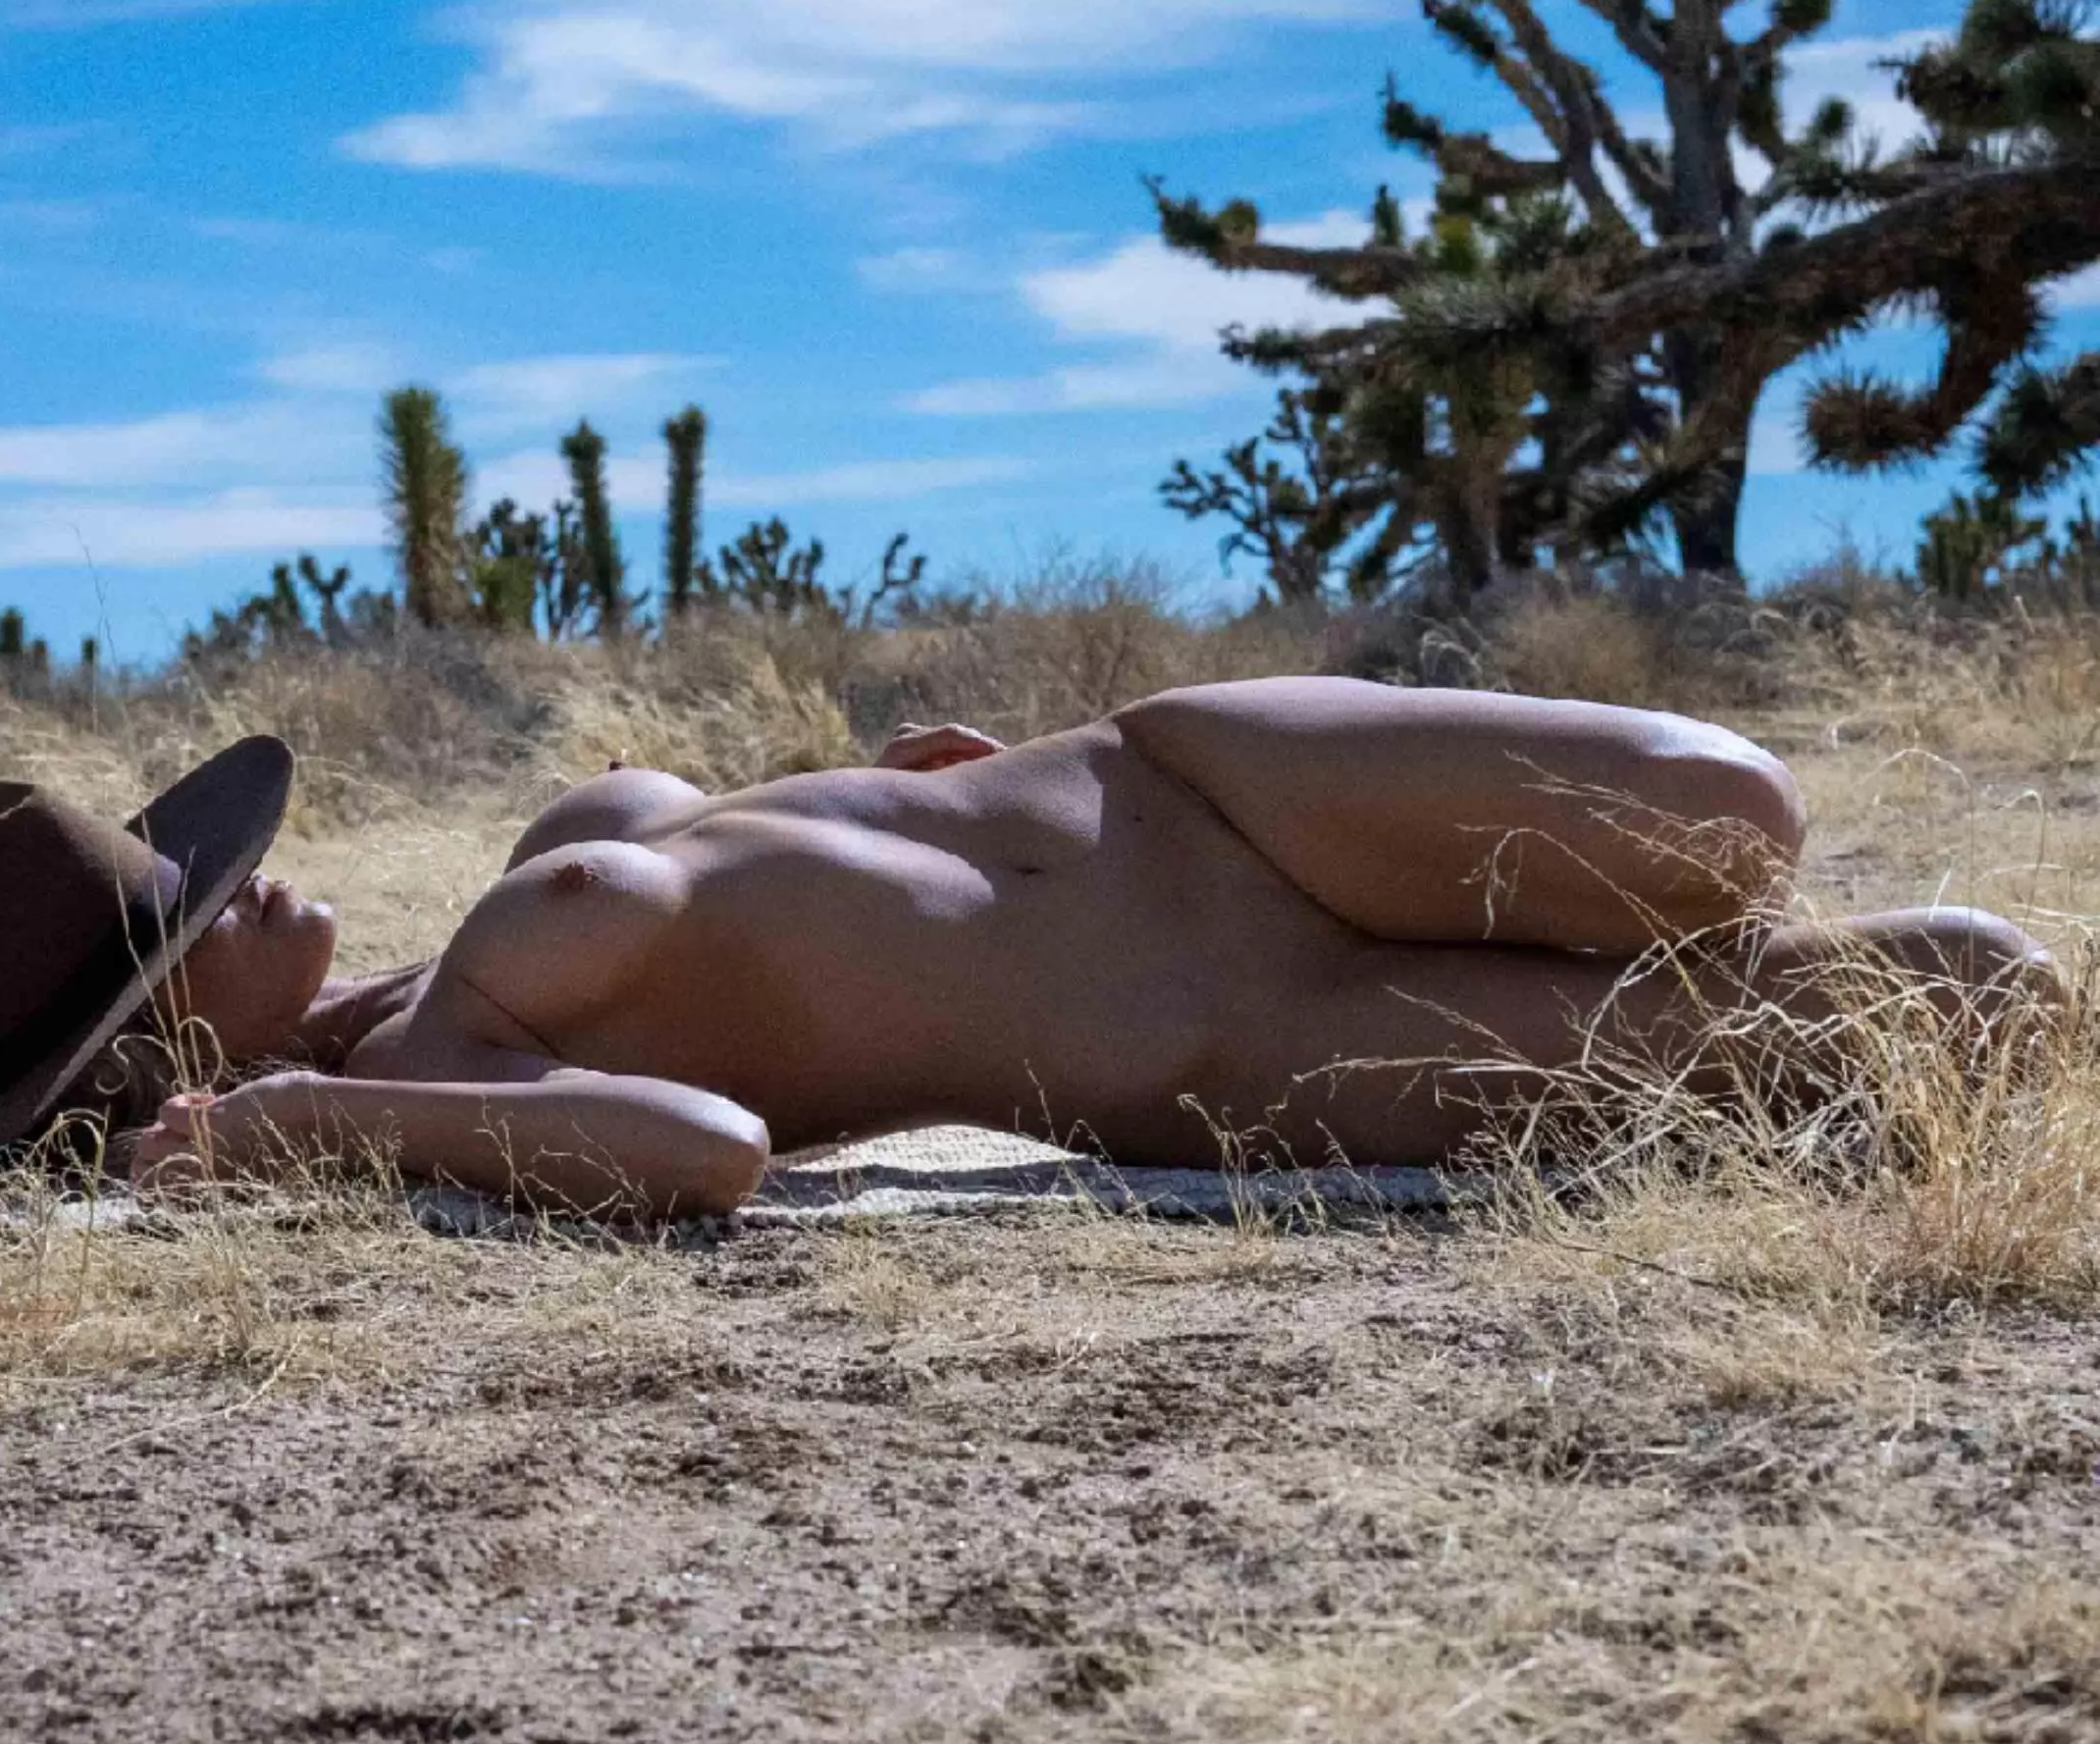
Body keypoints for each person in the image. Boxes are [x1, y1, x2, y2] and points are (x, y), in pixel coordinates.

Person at [109, 678, 2053, 1217]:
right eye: (185, 920)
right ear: (161, 1048)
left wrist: (884, 787)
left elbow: (757, 838)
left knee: (1734, 815)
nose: (232, 880)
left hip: (1171, 786)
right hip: (1211, 1036)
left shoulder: (455, 947)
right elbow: (709, 1149)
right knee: (1954, 996)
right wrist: (302, 1131)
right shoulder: (416, 1077)